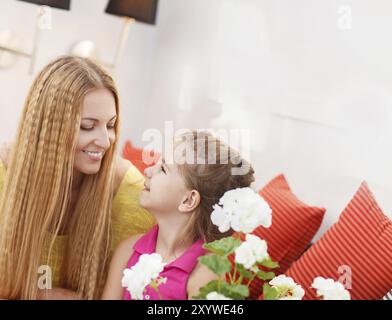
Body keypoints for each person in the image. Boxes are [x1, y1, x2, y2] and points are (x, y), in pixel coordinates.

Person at [0, 56, 155, 300]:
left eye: (111, 125)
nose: (105, 142)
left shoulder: (133, 198)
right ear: (48, 127)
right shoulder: (4, 177)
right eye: (87, 126)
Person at [102, 131, 255, 300]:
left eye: (162, 169)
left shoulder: (205, 273)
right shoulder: (127, 251)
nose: (147, 171)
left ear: (188, 200)